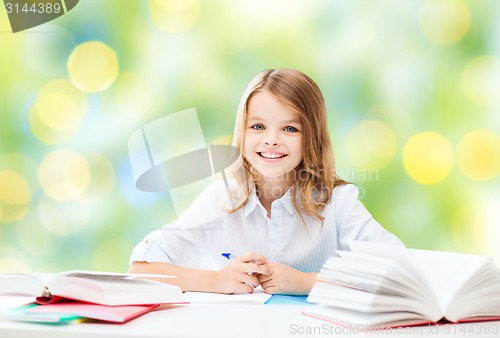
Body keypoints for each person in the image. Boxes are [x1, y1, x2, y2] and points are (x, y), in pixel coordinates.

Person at [128, 68, 404, 295]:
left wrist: (306, 283)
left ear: (312, 137)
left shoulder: (338, 202)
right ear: (243, 131)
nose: (272, 139)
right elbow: (141, 268)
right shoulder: (220, 200)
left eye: (290, 128)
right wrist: (215, 281)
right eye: (258, 126)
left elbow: (400, 269)